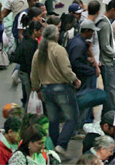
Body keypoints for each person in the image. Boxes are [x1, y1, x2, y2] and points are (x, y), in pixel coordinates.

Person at [30, 25, 81, 160]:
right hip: (61, 89)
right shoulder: (59, 50)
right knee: (72, 118)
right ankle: (61, 144)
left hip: (46, 90)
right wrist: (75, 79)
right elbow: (66, 70)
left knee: (53, 120)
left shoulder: (38, 52)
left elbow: (33, 75)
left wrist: (37, 88)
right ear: (55, 36)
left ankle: (53, 150)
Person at [96, 0, 115, 114]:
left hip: (107, 61)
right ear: (112, 10)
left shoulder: (103, 21)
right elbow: (105, 46)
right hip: (107, 62)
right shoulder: (105, 24)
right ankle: (109, 115)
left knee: (113, 88)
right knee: (111, 90)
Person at [12, 21, 43, 109]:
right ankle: (28, 118)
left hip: (24, 72)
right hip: (27, 73)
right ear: (35, 31)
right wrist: (34, 83)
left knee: (28, 97)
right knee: (30, 99)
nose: (41, 33)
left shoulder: (28, 40)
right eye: (40, 31)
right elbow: (30, 65)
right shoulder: (29, 45)